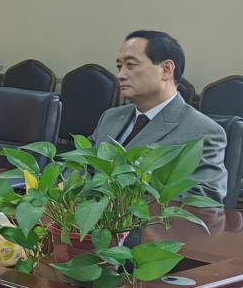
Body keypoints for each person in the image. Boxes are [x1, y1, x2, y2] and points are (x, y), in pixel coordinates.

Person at [91, 30, 227, 202]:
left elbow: (204, 198)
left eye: (131, 65)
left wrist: (123, 203)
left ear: (166, 70)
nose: (121, 75)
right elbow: (80, 166)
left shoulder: (202, 131)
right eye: (119, 67)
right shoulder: (110, 117)